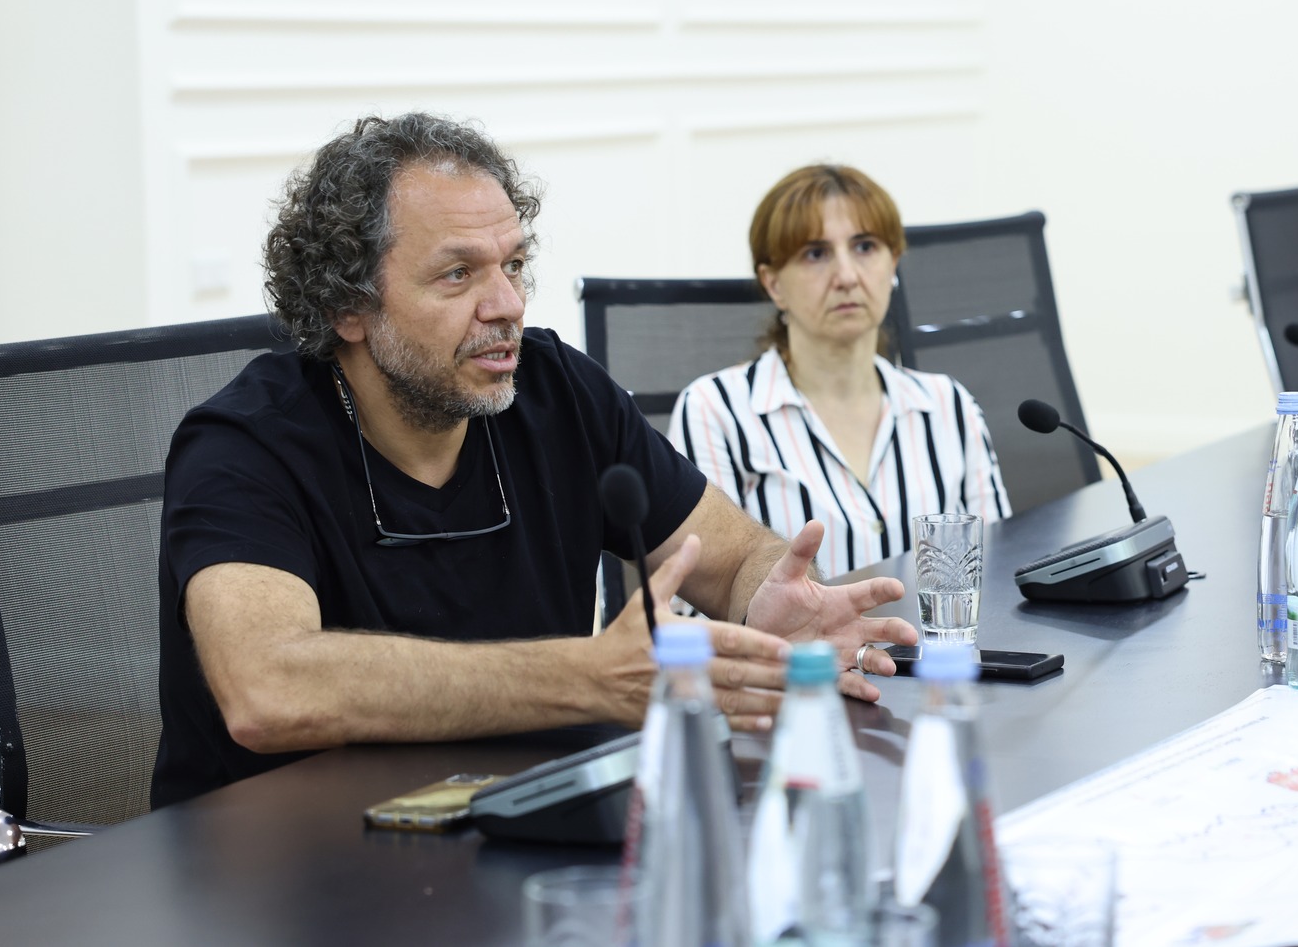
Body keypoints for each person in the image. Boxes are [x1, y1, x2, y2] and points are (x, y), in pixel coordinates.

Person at [152, 115, 918, 807]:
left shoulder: (557, 391)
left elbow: (735, 556)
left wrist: (765, 604)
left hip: (520, 826)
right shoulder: (243, 446)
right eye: (458, 274)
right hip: (284, 863)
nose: (508, 304)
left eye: (513, 264)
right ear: (346, 306)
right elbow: (268, 688)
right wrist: (587, 676)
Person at [671, 165, 1010, 578]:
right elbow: (701, 603)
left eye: (865, 247)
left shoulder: (948, 404)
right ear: (773, 284)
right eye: (816, 254)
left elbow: (998, 570)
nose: (847, 277)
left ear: (893, 264)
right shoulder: (715, 411)